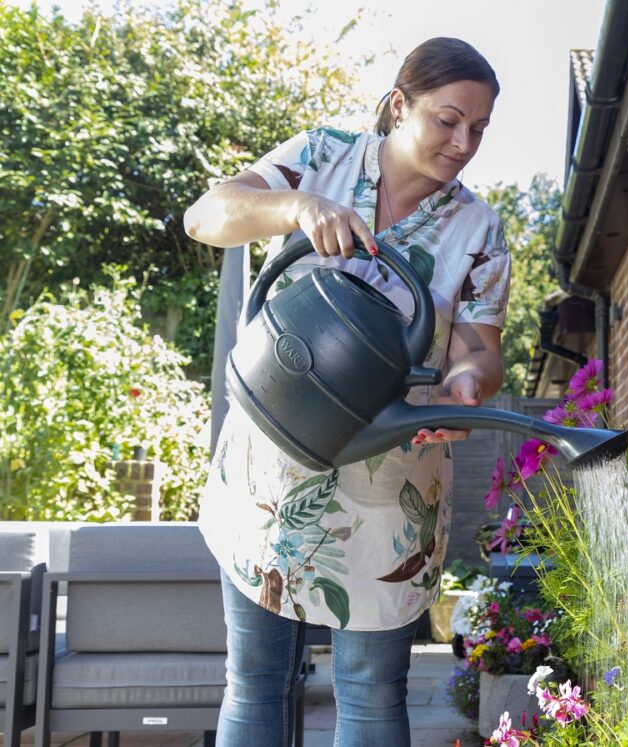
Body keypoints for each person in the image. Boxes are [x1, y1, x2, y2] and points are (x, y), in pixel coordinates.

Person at [183, 37, 508, 747]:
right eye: (448, 119)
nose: (463, 143)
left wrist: (465, 387)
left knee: (368, 692)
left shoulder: (478, 227)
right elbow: (207, 216)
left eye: (478, 129)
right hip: (271, 470)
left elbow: (480, 349)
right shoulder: (322, 154)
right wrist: (296, 208)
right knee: (256, 680)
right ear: (400, 104)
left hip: (388, 485)